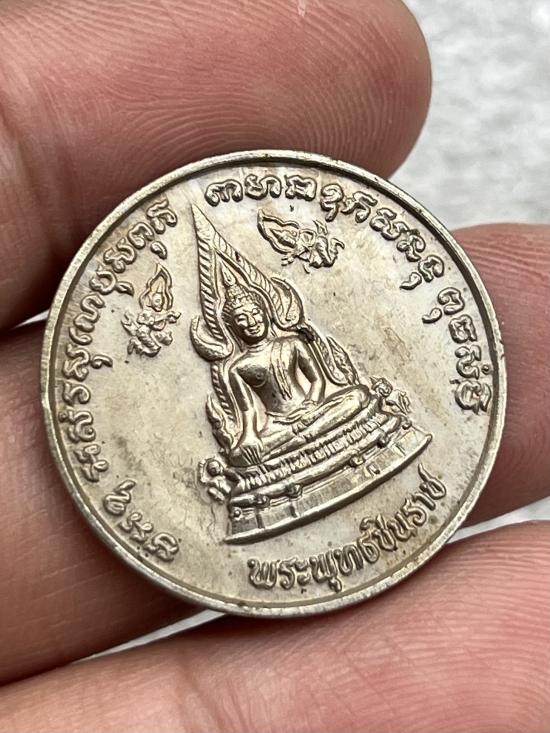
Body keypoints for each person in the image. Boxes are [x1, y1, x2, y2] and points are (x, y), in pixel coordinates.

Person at [0, 1, 547, 731]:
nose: (252, 322)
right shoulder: (233, 368)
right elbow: (245, 425)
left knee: (344, 407)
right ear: (227, 325)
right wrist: (250, 441)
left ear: (267, 306)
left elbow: (332, 387)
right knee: (264, 447)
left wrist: (338, 387)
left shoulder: (293, 341)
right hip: (283, 444)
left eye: (257, 313)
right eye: (240, 321)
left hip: (326, 420)